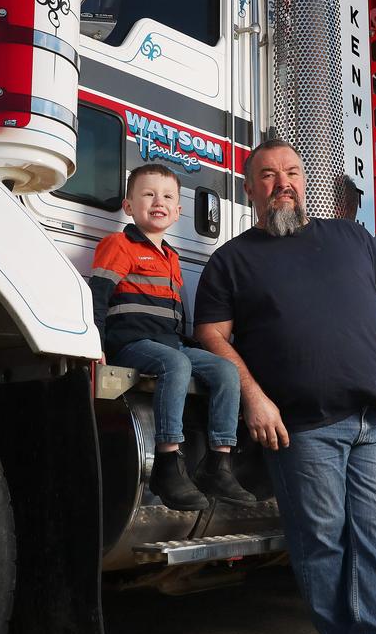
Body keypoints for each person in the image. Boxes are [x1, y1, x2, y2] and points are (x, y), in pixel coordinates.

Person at [194, 139, 376, 634]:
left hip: (373, 420)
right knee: (322, 546)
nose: (283, 182)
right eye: (268, 175)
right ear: (250, 187)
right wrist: (254, 396)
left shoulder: (351, 238)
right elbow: (212, 335)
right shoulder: (233, 260)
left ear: (306, 181)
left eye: (292, 172)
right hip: (301, 429)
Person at [90, 163, 255, 511]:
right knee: (175, 364)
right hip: (132, 344)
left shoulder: (172, 258)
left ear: (178, 210)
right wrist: (95, 343)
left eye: (167, 196)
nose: (158, 201)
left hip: (168, 344)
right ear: (129, 206)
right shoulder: (119, 245)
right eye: (148, 194)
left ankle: (217, 463)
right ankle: (167, 463)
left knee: (226, 370)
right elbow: (98, 295)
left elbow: (178, 315)